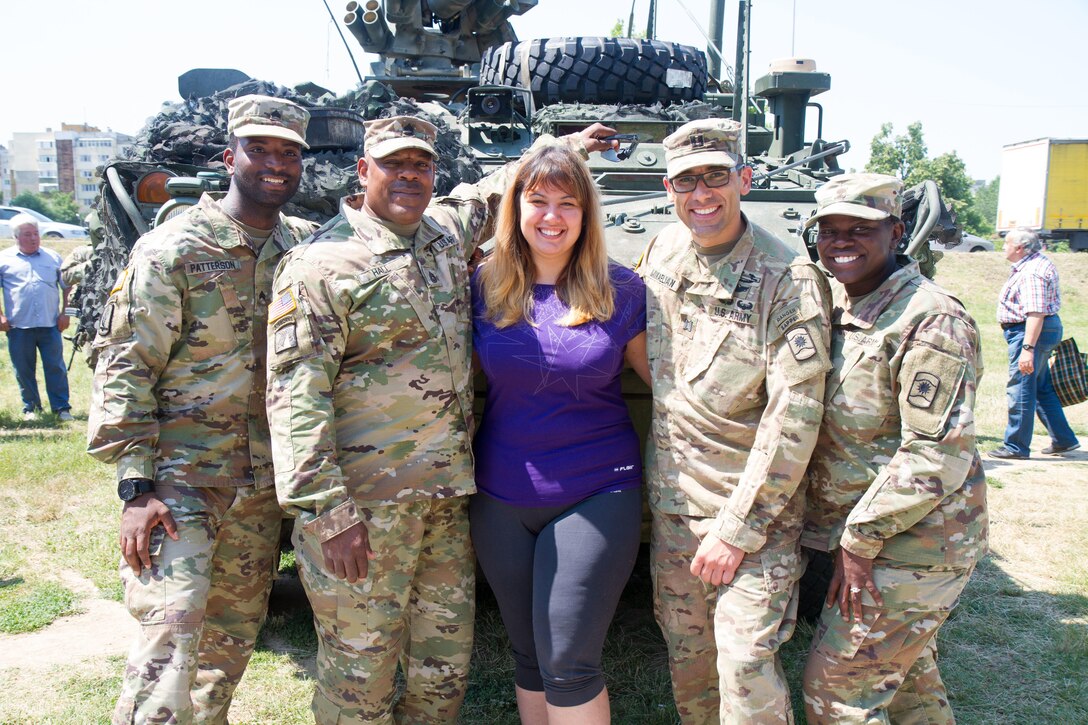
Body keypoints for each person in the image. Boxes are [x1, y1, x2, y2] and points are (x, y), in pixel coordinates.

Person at [265, 115, 616, 723]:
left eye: (420, 165)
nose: (408, 175)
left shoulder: (442, 235)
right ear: (362, 171)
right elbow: (296, 396)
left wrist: (564, 148)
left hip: (446, 507)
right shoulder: (320, 265)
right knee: (360, 680)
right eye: (393, 164)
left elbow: (500, 190)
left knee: (443, 675)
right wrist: (326, 511)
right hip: (362, 512)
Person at [86, 95, 316, 724]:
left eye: (289, 152)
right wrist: (136, 487)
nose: (276, 163)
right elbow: (127, 362)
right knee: (172, 632)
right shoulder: (174, 248)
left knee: (230, 640)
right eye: (260, 149)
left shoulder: (302, 248)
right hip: (180, 480)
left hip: (263, 485)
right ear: (229, 157)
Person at [638, 118, 832, 723]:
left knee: (745, 664)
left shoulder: (788, 280)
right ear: (668, 190)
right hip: (673, 505)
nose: (701, 194)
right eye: (685, 181)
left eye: (715, 177)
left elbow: (793, 417)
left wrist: (737, 530)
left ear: (744, 179)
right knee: (689, 657)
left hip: (751, 515)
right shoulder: (664, 249)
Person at [470, 143, 650, 724]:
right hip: (500, 496)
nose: (552, 216)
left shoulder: (621, 290)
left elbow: (671, 389)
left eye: (568, 203)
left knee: (569, 660)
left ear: (587, 213)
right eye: (538, 200)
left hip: (597, 490)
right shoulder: (484, 285)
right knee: (528, 657)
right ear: (516, 208)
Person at [800, 173, 989, 723]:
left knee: (837, 692)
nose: (842, 241)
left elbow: (935, 455)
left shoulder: (929, 320)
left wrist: (857, 542)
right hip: (878, 537)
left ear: (897, 232)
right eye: (829, 230)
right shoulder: (846, 303)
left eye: (861, 228)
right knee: (907, 684)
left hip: (916, 543)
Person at [989, 228, 1080, 459]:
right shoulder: (1036, 264)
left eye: (1006, 243)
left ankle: (1016, 446)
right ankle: (1064, 440)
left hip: (1030, 332)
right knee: (1040, 388)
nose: (1003, 247)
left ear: (1020, 248)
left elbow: (1035, 313)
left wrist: (1027, 349)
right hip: (1038, 331)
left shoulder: (1031, 272)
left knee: (1021, 387)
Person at [0, 213, 73, 421]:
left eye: (36, 234)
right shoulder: (4, 260)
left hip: (51, 324)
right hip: (18, 326)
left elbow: (68, 288)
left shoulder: (53, 257)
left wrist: (66, 314)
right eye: (27, 234)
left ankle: (61, 408)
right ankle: (31, 408)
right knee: (23, 369)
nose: (33, 238)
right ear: (16, 237)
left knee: (55, 367)